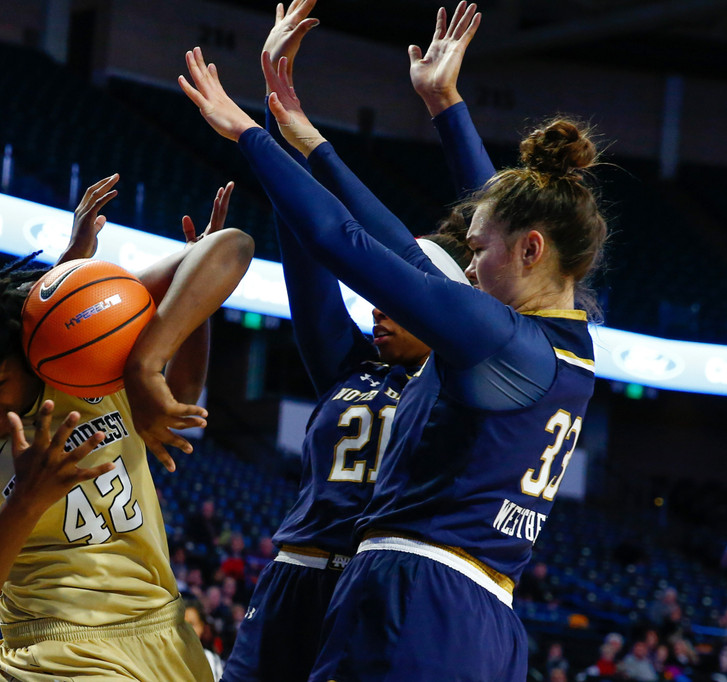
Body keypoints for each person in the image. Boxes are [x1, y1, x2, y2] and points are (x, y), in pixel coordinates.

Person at [179, 2, 606, 675]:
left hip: (418, 595)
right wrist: (339, 135)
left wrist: (248, 135)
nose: (466, 268)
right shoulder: (566, 342)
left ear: (529, 251)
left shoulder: (495, 336)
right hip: (484, 613)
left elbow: (345, 240)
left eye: (474, 254)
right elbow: (469, 230)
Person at [0, 174, 254, 681]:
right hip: (53, 649)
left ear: (28, 354)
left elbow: (232, 248)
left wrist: (152, 354)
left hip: (163, 630)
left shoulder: (83, 357)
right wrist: (25, 499)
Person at [221, 5, 472, 681]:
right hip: (296, 571)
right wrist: (277, 112)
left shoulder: (463, 377)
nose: (377, 310)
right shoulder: (347, 361)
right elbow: (306, 245)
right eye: (376, 299)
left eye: (398, 301)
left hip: (379, 586)